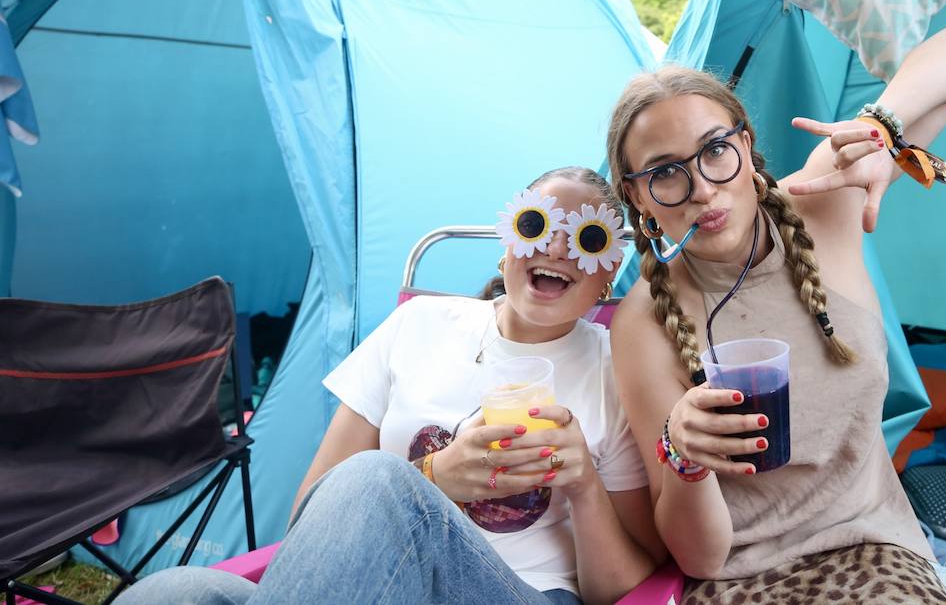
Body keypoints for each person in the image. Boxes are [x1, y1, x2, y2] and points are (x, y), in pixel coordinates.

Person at [118, 167, 662, 605]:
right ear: (507, 242)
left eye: (586, 238)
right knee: (174, 591)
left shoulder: (616, 373)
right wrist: (438, 475)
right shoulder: (419, 323)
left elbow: (627, 587)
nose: (556, 248)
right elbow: (313, 513)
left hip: (519, 590)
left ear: (607, 273)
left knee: (379, 478)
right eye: (536, 225)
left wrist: (584, 485)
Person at [607, 22, 946, 603]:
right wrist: (682, 454)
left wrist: (879, 133)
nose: (704, 189)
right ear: (637, 196)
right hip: (740, 580)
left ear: (745, 143)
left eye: (715, 151)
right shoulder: (643, 322)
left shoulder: (823, 198)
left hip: (873, 552)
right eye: (664, 172)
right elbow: (700, 557)